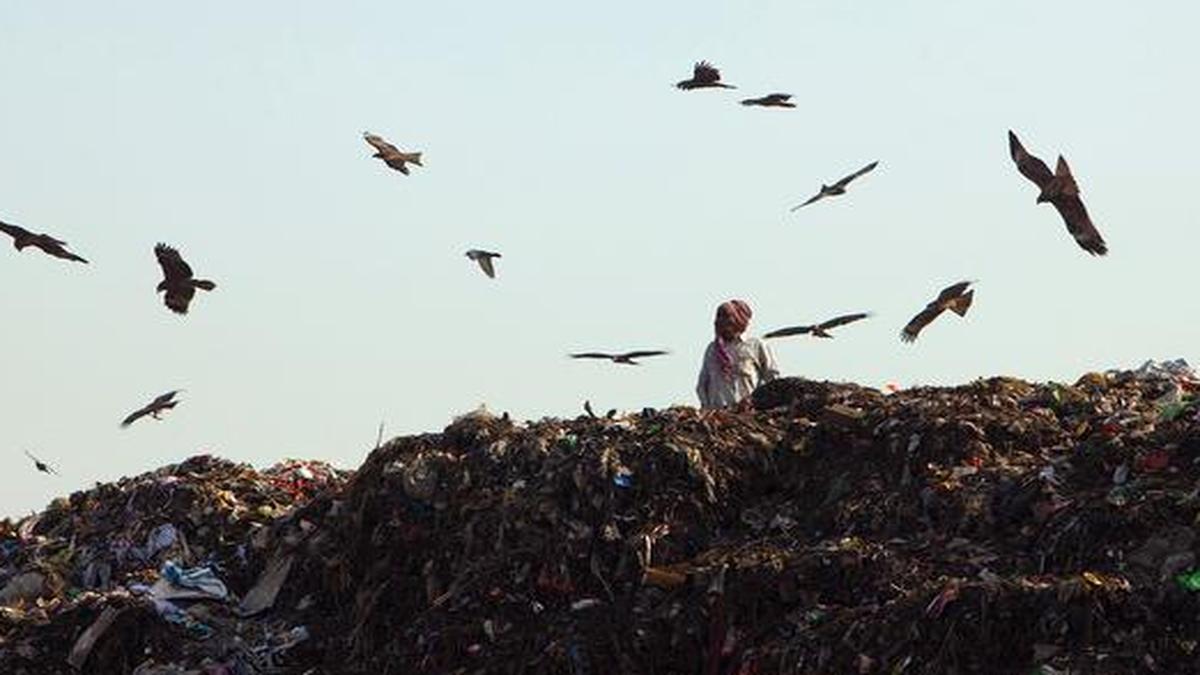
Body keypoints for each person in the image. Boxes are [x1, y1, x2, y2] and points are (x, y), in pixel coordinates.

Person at [696, 299, 780, 409]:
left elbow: (773, 379)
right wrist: (706, 407)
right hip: (718, 415)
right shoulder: (712, 349)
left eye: (726, 317)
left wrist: (759, 402)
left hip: (750, 414)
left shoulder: (756, 345)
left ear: (738, 320)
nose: (720, 321)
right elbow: (702, 385)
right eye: (719, 317)